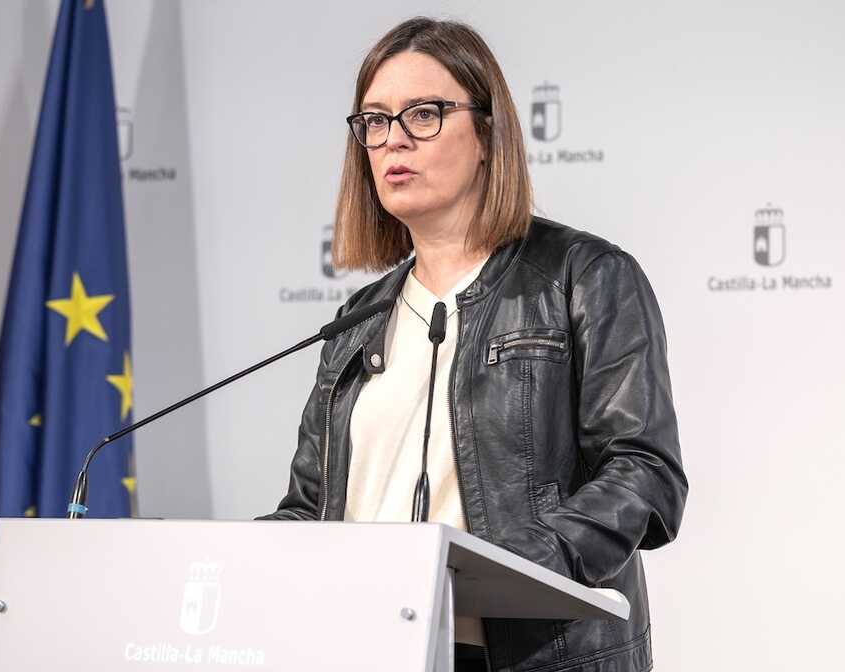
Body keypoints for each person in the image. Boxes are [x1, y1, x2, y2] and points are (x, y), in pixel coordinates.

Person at [259, 17, 688, 672]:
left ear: (487, 133)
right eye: (374, 120)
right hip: (371, 647)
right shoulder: (359, 318)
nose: (393, 139)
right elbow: (310, 509)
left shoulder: (584, 277)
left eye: (423, 114)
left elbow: (645, 472)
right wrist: (222, 561)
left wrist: (528, 562)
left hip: (533, 654)